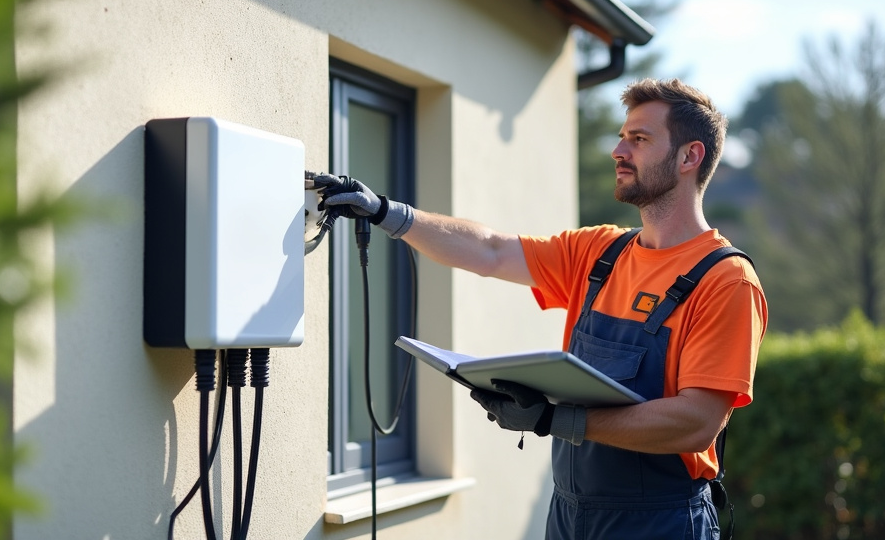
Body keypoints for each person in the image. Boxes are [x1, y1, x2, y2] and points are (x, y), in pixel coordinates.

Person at [314, 78, 768, 540]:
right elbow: (490, 250)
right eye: (621, 135)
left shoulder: (725, 281)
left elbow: (694, 424)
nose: (618, 150)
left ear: (690, 157)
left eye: (639, 139)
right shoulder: (600, 253)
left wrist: (557, 419)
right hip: (569, 515)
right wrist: (387, 212)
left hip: (659, 523)